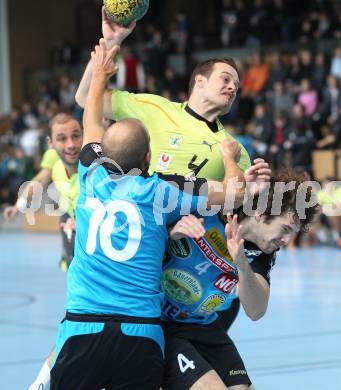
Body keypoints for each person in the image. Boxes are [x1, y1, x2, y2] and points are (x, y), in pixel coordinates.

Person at [50, 39, 246, 390]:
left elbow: (91, 118)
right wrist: (229, 157)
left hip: (84, 323)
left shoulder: (90, 176)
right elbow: (233, 193)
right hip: (141, 328)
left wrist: (102, 68)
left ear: (101, 154)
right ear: (148, 159)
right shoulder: (162, 192)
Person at [161, 169, 320, 390]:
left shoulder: (262, 251)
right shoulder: (216, 207)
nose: (286, 240)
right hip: (162, 323)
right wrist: (170, 232)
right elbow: (152, 192)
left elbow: (256, 311)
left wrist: (242, 264)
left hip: (203, 325)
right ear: (261, 214)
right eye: (285, 229)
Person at [75, 7, 251, 181]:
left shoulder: (235, 151)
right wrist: (112, 41)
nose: (232, 88)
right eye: (226, 79)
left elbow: (238, 202)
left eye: (236, 85)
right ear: (200, 81)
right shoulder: (154, 108)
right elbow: (85, 97)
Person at [3, 113, 82, 271]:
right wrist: (19, 206)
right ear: (51, 143)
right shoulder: (53, 157)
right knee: (72, 269)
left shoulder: (93, 160)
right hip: (68, 218)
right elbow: (40, 180)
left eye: (75, 136)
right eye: (62, 138)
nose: (70, 144)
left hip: (90, 221)